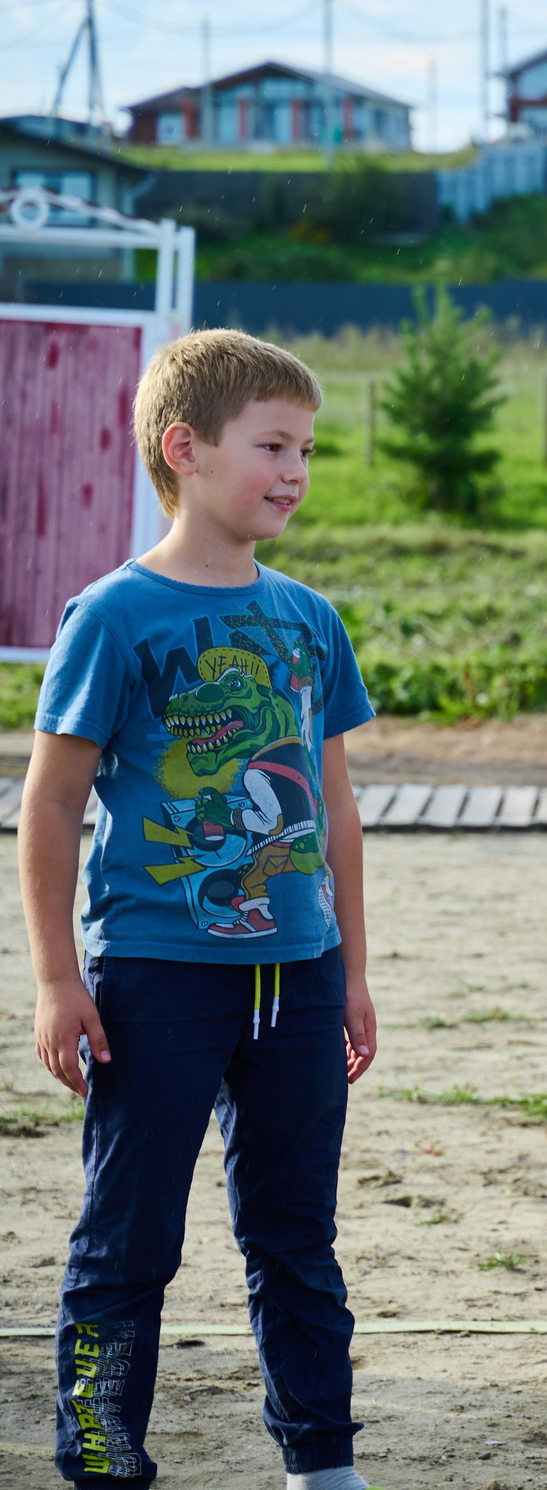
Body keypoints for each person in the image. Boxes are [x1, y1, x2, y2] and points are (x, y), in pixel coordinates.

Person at [21, 331, 381, 1490]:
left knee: (296, 1234)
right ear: (184, 448)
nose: (295, 470)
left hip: (301, 972)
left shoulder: (309, 618)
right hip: (153, 976)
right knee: (129, 1235)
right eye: (272, 444)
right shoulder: (113, 616)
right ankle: (101, 1455)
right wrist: (55, 977)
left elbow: (333, 809)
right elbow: (50, 803)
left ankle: (321, 1461)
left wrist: (354, 968)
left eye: (307, 450)